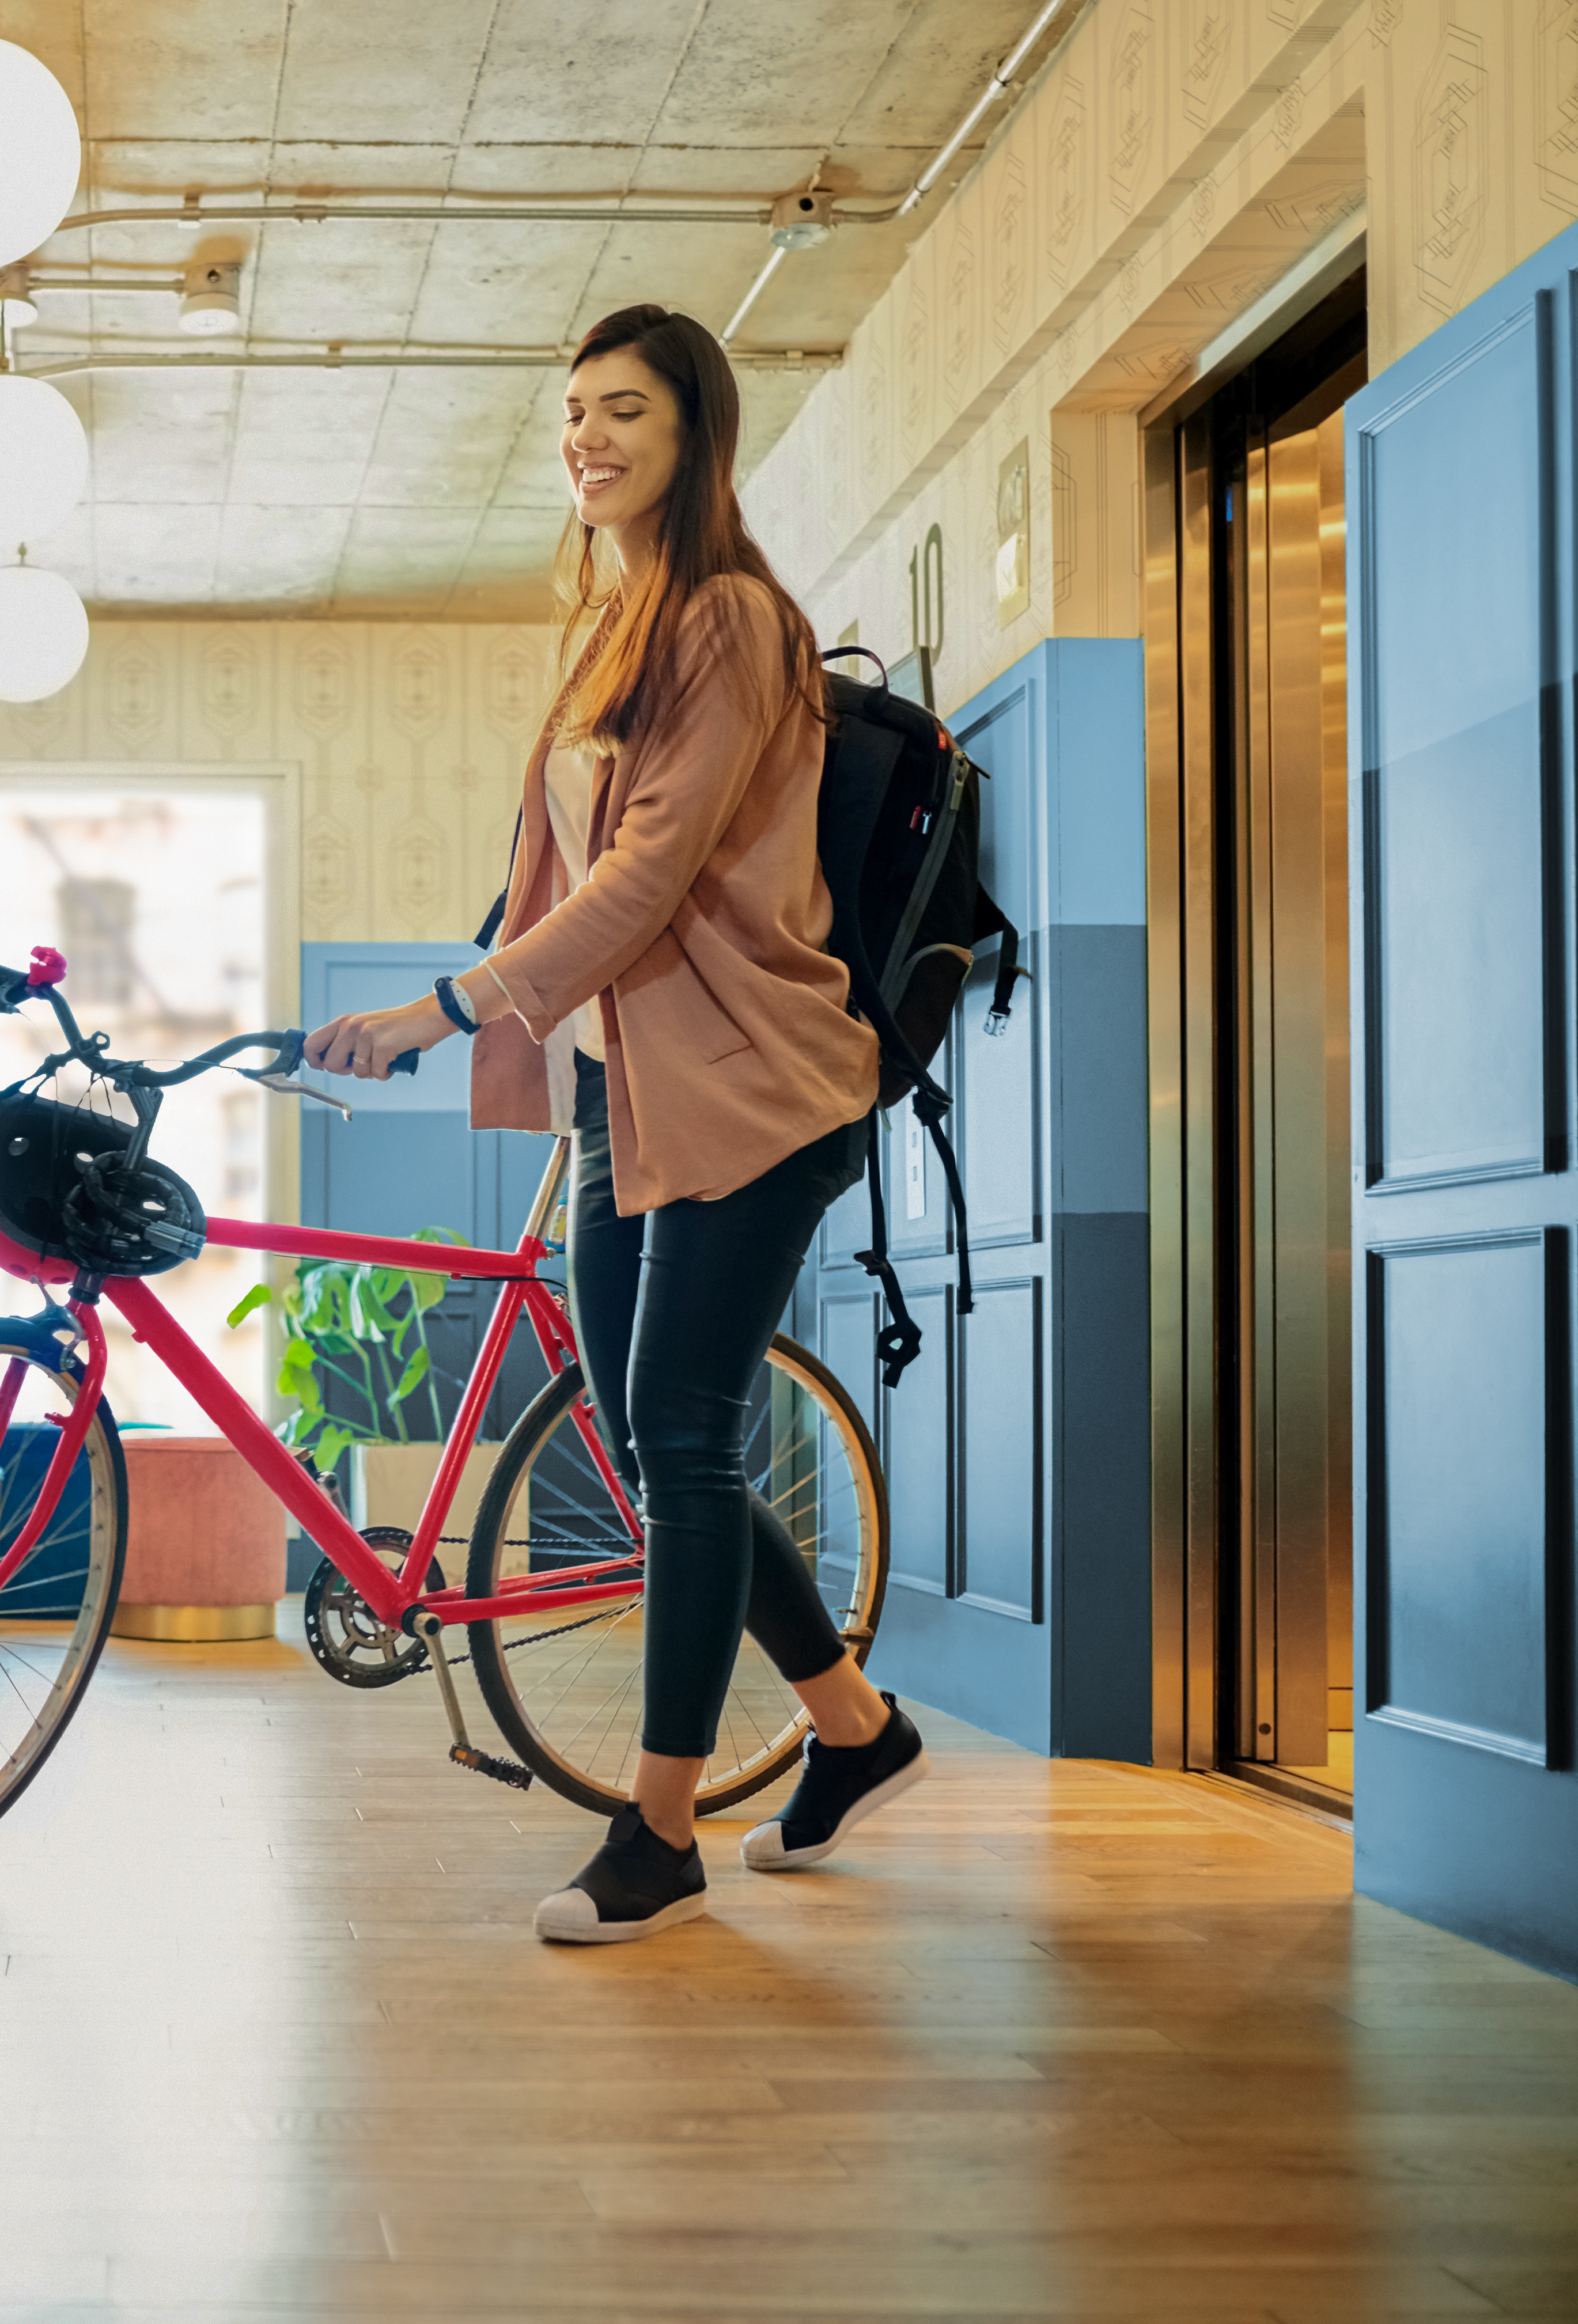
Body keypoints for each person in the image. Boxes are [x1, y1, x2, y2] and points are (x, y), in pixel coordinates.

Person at [304, 303, 930, 1943]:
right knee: (657, 1444)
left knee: (677, 1432)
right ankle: (855, 1730)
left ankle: (658, 1833)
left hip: (753, 1086)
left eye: (624, 410)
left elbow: (648, 877)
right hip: (616, 1090)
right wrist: (519, 1026)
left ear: (692, 434)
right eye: (572, 410)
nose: (586, 436)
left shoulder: (729, 618)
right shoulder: (607, 626)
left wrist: (438, 1009)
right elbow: (570, 878)